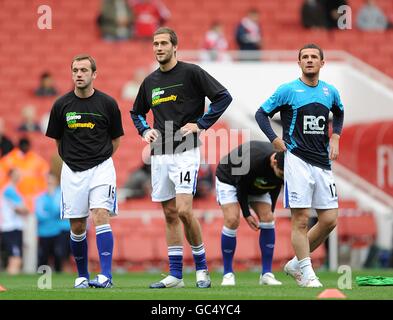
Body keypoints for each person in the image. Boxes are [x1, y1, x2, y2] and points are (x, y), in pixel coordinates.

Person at [130, 27, 233, 289]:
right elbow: (136, 112)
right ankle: (175, 275)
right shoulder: (150, 81)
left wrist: (201, 124)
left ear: (175, 46)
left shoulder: (192, 72)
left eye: (164, 43)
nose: (159, 48)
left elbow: (223, 97)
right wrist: (144, 130)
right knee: (169, 214)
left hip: (186, 151)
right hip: (159, 154)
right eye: (155, 44)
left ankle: (202, 269)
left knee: (185, 210)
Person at [255, 44, 344, 287]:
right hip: (297, 160)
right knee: (302, 220)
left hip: (322, 162)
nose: (309, 60)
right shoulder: (288, 90)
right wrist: (274, 139)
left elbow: (339, 112)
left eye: (314, 57)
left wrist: (335, 136)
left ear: (322, 63)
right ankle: (307, 273)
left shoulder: (330, 92)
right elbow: (261, 114)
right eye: (304, 57)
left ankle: (295, 263)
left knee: (330, 220)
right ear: (299, 63)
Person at [45, 54, 124, 288]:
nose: (79, 74)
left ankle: (106, 275)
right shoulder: (61, 105)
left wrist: (100, 159)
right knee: (77, 225)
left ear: (94, 74)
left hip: (101, 168)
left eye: (84, 70)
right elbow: (58, 141)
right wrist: (73, 160)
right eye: (75, 70)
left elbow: (116, 139)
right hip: (72, 171)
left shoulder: (108, 104)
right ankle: (81, 275)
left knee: (100, 215)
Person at [216, 141, 284, 286]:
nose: (281, 177)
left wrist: (271, 210)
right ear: (274, 161)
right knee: (233, 219)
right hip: (230, 178)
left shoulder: (285, 165)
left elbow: (277, 185)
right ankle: (228, 273)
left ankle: (266, 274)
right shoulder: (253, 162)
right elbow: (241, 187)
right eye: (280, 173)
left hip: (256, 183)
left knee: (268, 218)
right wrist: (247, 214)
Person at [0, 169, 29, 275]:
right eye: (16, 174)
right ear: (11, 175)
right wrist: (25, 210)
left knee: (15, 257)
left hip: (15, 227)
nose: (19, 176)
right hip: (10, 227)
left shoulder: (14, 190)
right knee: (15, 258)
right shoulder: (9, 190)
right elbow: (22, 209)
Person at [35, 172, 64, 272]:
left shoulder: (60, 194)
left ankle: (59, 279)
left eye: (51, 180)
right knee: (43, 257)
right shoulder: (41, 197)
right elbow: (39, 215)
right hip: (43, 232)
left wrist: (49, 212)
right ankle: (42, 282)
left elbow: (59, 211)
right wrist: (51, 215)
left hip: (57, 231)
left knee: (58, 256)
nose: (49, 182)